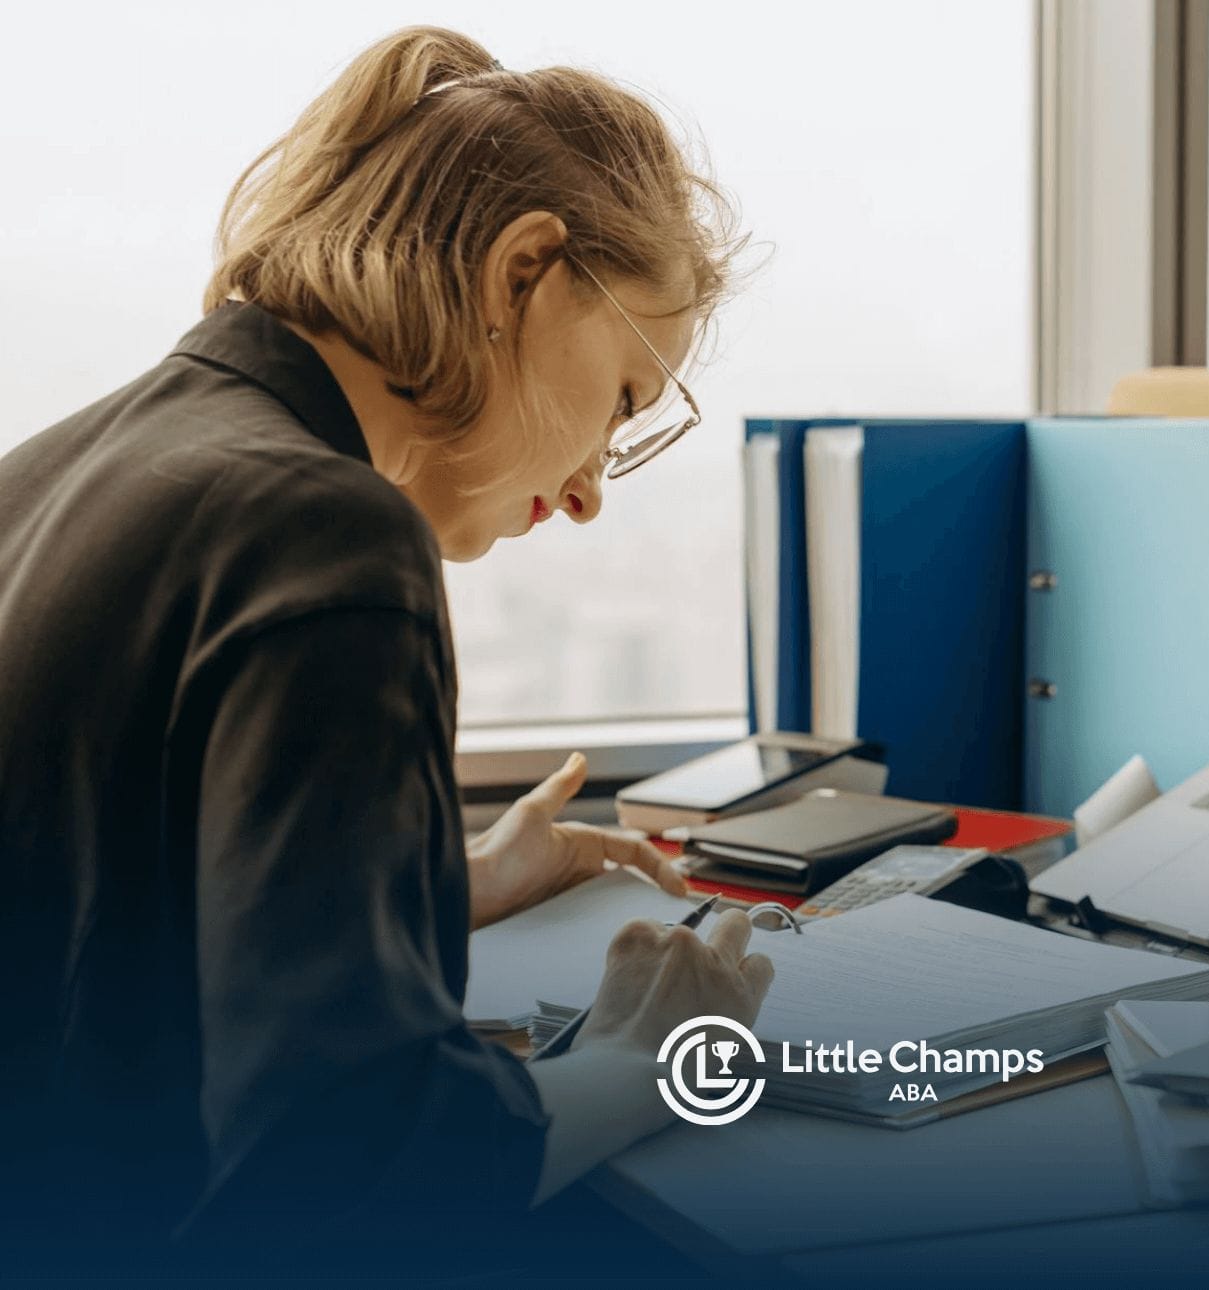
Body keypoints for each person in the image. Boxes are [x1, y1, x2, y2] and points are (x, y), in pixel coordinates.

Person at [0, 25, 771, 1272]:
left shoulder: (58, 471)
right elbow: (353, 1159)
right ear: (524, 272)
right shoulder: (323, 530)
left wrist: (430, 886)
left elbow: (94, 919)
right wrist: (648, 1061)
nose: (587, 493)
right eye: (622, 403)